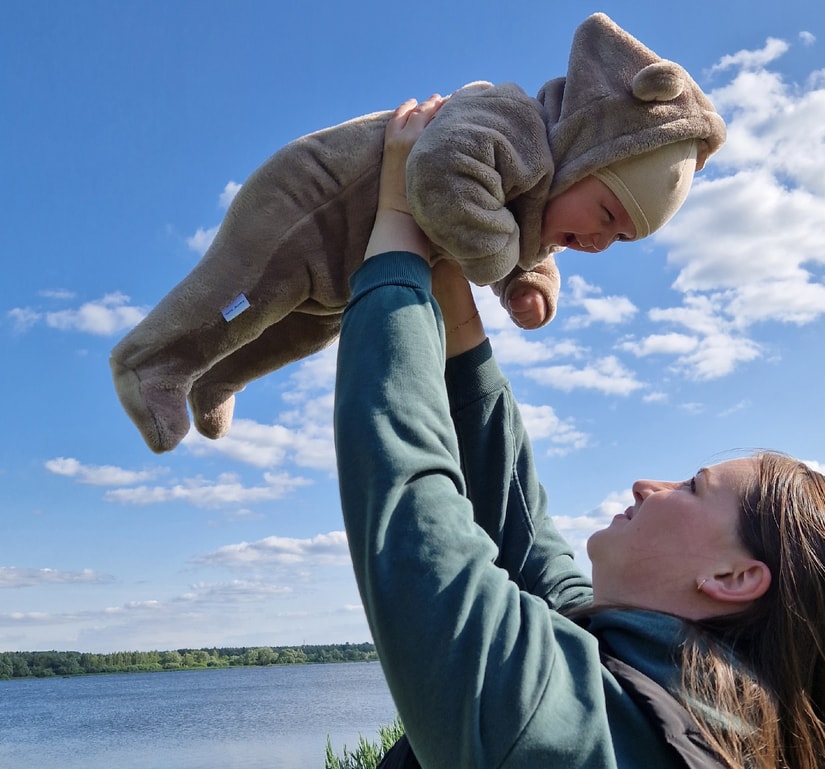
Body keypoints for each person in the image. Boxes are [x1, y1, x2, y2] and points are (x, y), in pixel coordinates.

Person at [276, 98, 825, 769]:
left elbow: (413, 517)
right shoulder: (687, 712)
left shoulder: (589, 751)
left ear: (733, 577)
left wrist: (392, 239)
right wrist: (454, 293)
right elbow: (520, 527)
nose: (649, 486)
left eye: (692, 488)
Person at [109, 12, 726, 454]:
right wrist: (502, 264)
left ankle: (219, 375)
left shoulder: (538, 203)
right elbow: (441, 173)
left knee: (300, 332)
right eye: (608, 215)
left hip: (351, 266)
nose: (599, 241)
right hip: (308, 210)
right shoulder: (512, 121)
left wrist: (530, 284)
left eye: (620, 240)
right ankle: (150, 363)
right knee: (240, 294)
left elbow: (521, 238)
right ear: (582, 155)